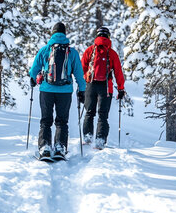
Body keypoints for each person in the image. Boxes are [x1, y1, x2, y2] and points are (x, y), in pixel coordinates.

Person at [29, 22, 86, 159]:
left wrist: (32, 79)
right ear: (64, 34)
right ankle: (60, 147)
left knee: (46, 120)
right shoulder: (72, 52)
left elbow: (33, 70)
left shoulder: (45, 50)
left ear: (52, 34)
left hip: (46, 90)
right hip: (65, 92)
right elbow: (79, 74)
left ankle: (45, 147)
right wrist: (82, 91)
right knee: (62, 121)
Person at [80, 26, 125, 149]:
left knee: (89, 113)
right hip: (106, 87)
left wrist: (85, 79)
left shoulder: (89, 50)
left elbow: (82, 68)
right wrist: (121, 88)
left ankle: (87, 138)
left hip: (90, 85)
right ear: (108, 37)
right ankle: (100, 140)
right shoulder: (112, 53)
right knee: (103, 115)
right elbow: (118, 73)